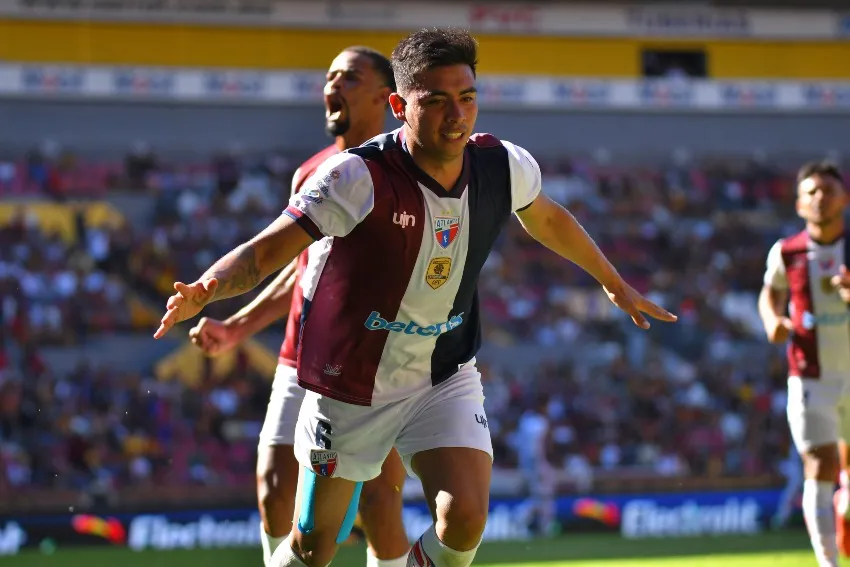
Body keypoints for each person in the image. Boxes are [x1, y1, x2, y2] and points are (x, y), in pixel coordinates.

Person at [153, 28, 677, 567]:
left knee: (466, 518)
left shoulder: (502, 165)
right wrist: (207, 290)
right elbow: (266, 254)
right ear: (400, 105)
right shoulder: (356, 176)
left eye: (467, 98)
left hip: (443, 373)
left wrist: (614, 281)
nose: (457, 115)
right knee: (312, 547)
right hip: (351, 382)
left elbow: (548, 218)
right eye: (437, 101)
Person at [186, 47, 410, 567]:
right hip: (299, 357)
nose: (333, 84)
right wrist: (238, 326)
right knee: (272, 489)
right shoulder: (313, 171)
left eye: (349, 76)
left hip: (373, 363)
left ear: (385, 96)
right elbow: (303, 266)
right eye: (329, 76)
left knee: (379, 502)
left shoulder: (405, 172)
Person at [759, 160, 850, 566]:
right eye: (811, 192)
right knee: (820, 462)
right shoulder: (788, 252)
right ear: (799, 204)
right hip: (810, 376)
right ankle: (829, 563)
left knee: (839, 472)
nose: (820, 198)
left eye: (828, 191)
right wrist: (773, 321)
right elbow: (770, 293)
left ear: (844, 199)